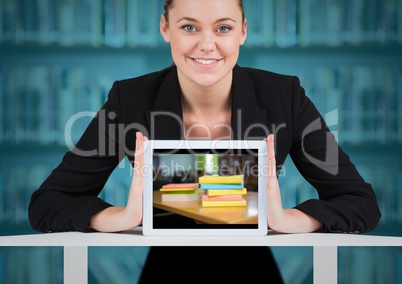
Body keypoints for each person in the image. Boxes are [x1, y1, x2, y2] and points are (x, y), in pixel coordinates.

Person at [28, 0, 381, 282]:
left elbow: (361, 203)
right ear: (165, 28)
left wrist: (290, 219)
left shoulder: (283, 95)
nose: (207, 45)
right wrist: (121, 216)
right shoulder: (130, 98)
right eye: (189, 27)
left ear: (243, 31)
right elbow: (47, 203)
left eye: (223, 28)